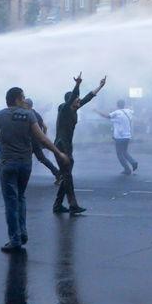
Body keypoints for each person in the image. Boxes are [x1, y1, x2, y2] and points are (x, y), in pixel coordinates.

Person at [0, 87, 70, 252]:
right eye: (23, 97)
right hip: (25, 164)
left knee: (11, 201)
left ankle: (15, 238)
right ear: (16, 99)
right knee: (21, 197)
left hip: (7, 164)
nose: (25, 100)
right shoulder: (29, 115)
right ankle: (22, 232)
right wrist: (58, 153)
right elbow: (42, 138)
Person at [53, 73, 106, 215]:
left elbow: (88, 97)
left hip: (67, 146)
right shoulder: (64, 109)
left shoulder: (73, 108)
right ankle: (73, 205)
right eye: (76, 100)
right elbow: (74, 96)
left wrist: (100, 86)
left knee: (66, 175)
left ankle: (58, 205)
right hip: (61, 146)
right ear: (70, 101)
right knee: (67, 176)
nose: (79, 101)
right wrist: (77, 84)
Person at [96, 99, 139, 175]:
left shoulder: (117, 113)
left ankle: (127, 169)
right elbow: (133, 110)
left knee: (119, 154)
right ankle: (133, 162)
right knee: (125, 152)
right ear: (124, 105)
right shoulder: (129, 111)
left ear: (117, 105)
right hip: (127, 136)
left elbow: (107, 116)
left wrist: (97, 111)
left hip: (119, 137)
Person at [22, 98, 61, 181]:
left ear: (28, 105)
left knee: (22, 159)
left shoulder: (28, 114)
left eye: (24, 103)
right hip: (35, 141)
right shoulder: (36, 113)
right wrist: (41, 137)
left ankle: (20, 178)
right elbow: (45, 127)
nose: (22, 104)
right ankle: (57, 173)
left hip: (29, 142)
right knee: (42, 159)